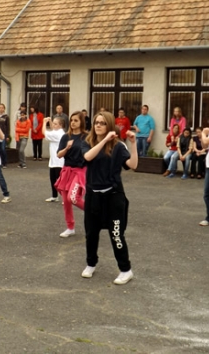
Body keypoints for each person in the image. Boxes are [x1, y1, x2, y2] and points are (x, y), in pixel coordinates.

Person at [80, 111, 138, 285]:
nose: (98, 125)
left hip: (113, 196)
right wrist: (104, 140)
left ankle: (126, 270)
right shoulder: (87, 142)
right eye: (96, 122)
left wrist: (133, 144)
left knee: (116, 234)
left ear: (110, 126)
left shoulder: (118, 146)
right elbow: (87, 157)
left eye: (103, 123)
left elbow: (133, 165)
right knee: (91, 233)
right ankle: (91, 263)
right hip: (93, 196)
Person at [56, 111, 87, 238]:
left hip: (80, 171)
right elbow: (59, 155)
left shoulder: (86, 137)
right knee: (66, 201)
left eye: (76, 120)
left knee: (73, 198)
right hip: (67, 170)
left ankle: (94, 211)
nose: (73, 123)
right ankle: (70, 227)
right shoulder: (66, 137)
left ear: (81, 122)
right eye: (72, 120)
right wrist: (67, 148)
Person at [43, 116, 65, 202]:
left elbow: (44, 132)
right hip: (53, 161)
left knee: (60, 181)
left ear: (60, 125)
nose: (53, 125)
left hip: (59, 162)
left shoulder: (58, 133)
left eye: (55, 124)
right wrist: (50, 121)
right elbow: (52, 129)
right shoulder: (56, 131)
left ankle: (65, 198)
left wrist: (44, 122)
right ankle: (54, 196)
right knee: (53, 179)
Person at [0, 103, 10, 168]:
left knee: (3, 148)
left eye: (2, 108)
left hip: (3, 134)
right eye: (0, 108)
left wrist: (7, 136)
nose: (1, 109)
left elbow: (8, 126)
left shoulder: (6, 117)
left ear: (4, 109)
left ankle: (4, 162)